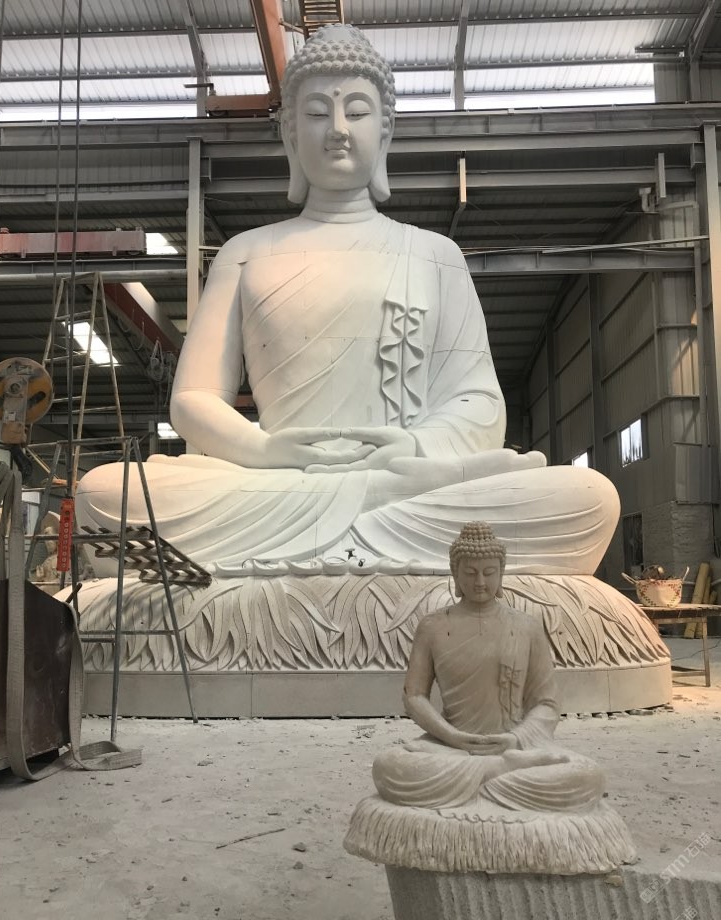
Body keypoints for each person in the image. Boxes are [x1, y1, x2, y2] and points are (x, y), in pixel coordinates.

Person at [75, 24, 618, 574]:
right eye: (316, 114)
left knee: (586, 496)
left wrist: (417, 448)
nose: (337, 130)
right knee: (104, 493)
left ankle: (323, 538)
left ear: (385, 131)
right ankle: (366, 541)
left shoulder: (435, 254)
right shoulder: (245, 253)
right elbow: (193, 400)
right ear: (290, 134)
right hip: (279, 485)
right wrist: (262, 450)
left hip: (403, 483)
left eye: (356, 112)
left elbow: (479, 402)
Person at [371, 523, 606, 812]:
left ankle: (487, 775)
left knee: (587, 776)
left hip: (513, 745)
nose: (480, 581)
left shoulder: (527, 627)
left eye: (489, 572)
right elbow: (415, 696)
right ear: (455, 574)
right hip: (451, 747)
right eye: (470, 573)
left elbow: (546, 703)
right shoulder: (432, 627)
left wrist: (515, 738)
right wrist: (452, 737)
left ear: (501, 573)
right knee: (388, 768)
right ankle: (498, 773)